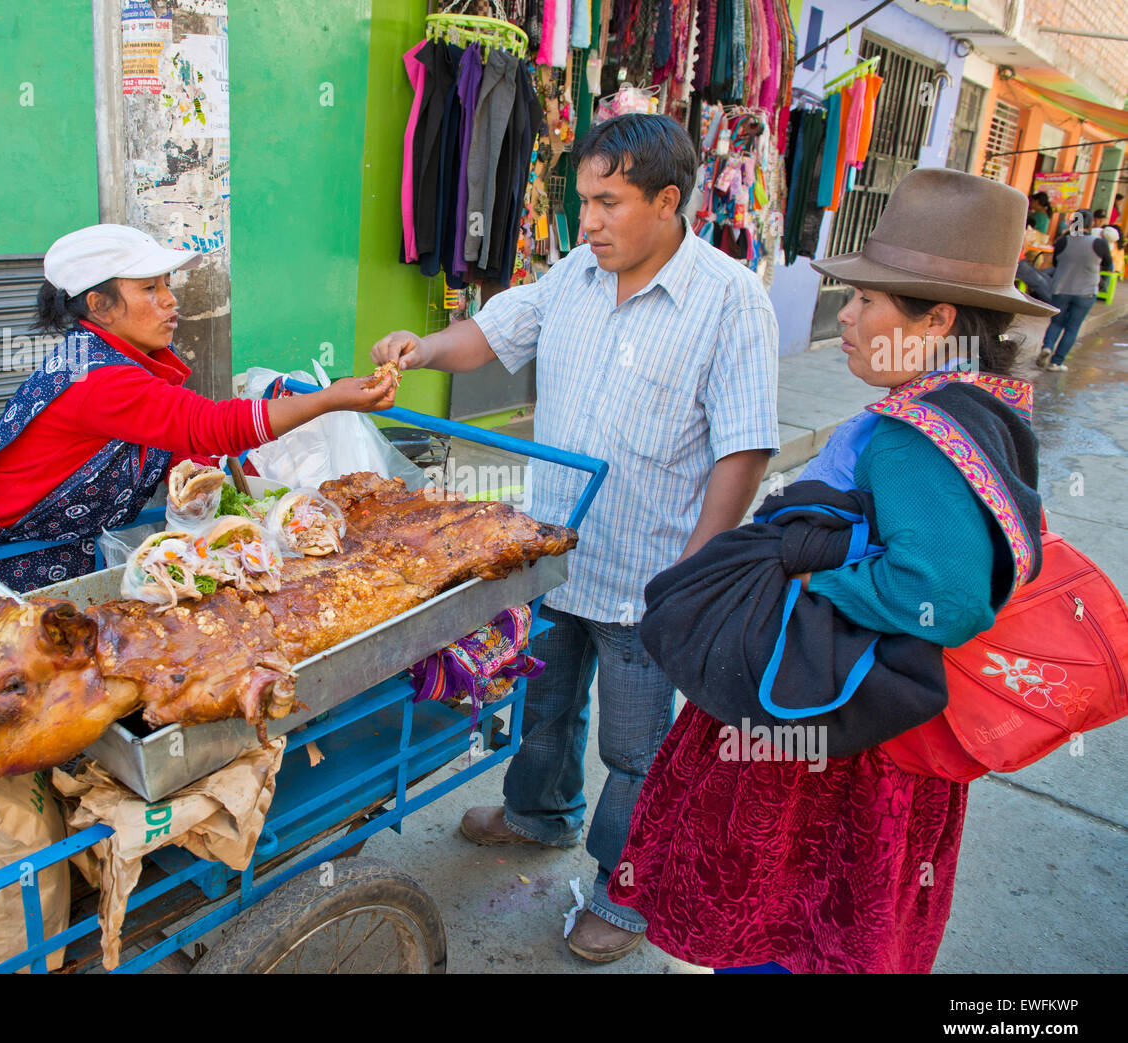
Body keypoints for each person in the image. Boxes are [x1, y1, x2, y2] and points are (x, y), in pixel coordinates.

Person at [608, 168, 1057, 973]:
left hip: (841, 744)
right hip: (868, 728)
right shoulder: (977, 402)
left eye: (865, 301)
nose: (844, 316)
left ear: (939, 319)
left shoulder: (916, 437)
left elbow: (944, 597)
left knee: (787, 928)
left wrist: (818, 580)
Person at [371, 113, 780, 962]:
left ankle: (623, 896)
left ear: (669, 201)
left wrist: (697, 571)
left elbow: (745, 444)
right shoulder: (574, 276)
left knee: (634, 752)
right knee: (542, 707)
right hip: (549, 558)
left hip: (648, 575)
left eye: (607, 202)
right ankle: (537, 814)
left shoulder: (731, 300)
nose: (586, 220)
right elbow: (491, 332)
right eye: (582, 200)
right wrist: (419, 348)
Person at [0, 224, 398, 591]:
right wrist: (330, 399)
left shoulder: (119, 358)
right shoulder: (97, 379)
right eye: (149, 289)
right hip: (7, 555)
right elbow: (209, 425)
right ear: (100, 305)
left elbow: (173, 436)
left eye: (167, 284)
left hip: (67, 542)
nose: (170, 302)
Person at [1038, 209, 1116, 371]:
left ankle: (1047, 346)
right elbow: (1109, 265)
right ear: (1091, 223)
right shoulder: (1099, 243)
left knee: (1056, 322)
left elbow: (1056, 263)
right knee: (1072, 327)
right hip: (1086, 292)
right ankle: (1056, 362)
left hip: (1061, 288)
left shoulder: (1063, 241)